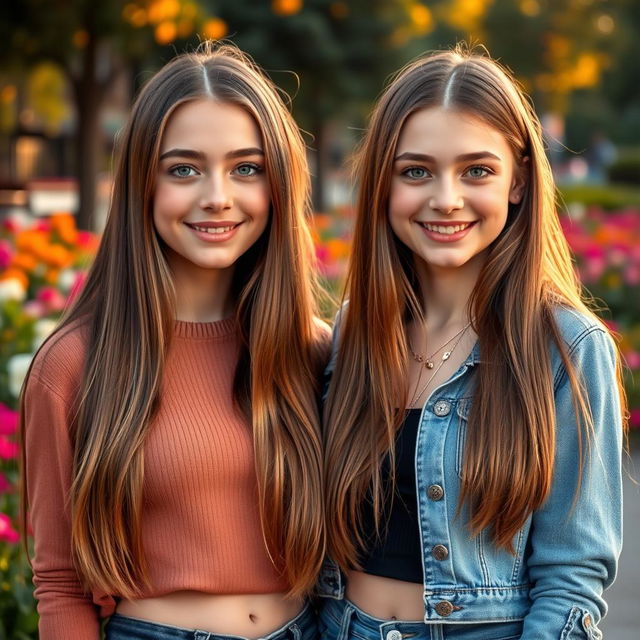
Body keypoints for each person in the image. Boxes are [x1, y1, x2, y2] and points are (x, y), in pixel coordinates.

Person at [20, 43, 329, 640]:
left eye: (246, 168)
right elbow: (60, 583)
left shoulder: (311, 351)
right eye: (183, 169)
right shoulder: (74, 366)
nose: (217, 196)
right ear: (143, 183)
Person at [318, 47, 626, 640]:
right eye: (416, 171)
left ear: (517, 183)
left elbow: (571, 580)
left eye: (477, 171)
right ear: (384, 185)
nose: (446, 198)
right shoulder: (356, 332)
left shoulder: (567, 349)